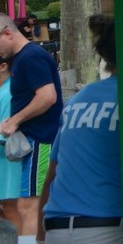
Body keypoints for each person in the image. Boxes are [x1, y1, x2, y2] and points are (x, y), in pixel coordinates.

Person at [37, 15, 122, 244]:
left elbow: (52, 176)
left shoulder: (77, 101)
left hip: (56, 227)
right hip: (108, 228)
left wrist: (39, 237)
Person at [0, 14, 63, 236]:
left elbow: (47, 96)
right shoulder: (22, 58)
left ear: (7, 33)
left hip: (40, 140)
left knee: (30, 205)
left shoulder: (30, 57)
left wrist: (15, 120)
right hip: (32, 141)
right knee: (26, 203)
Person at [0, 59, 21, 231]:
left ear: (3, 66)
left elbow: (6, 134)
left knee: (11, 209)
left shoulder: (9, 92)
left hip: (10, 163)